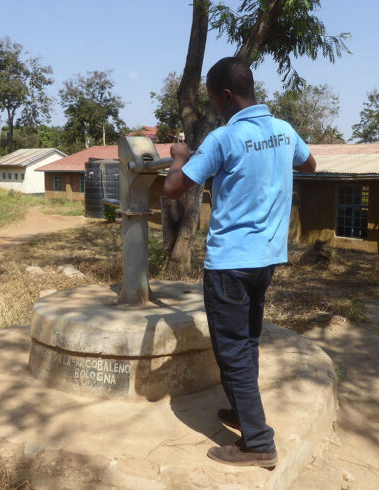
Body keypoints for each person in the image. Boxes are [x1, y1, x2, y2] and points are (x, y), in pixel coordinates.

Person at [163, 57, 316, 468]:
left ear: (227, 96)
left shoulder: (222, 139)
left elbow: (174, 189)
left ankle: (258, 442)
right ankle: (243, 413)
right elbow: (309, 163)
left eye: (214, 100)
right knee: (247, 340)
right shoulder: (284, 131)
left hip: (230, 263)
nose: (214, 108)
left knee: (231, 350)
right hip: (266, 259)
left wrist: (179, 156)